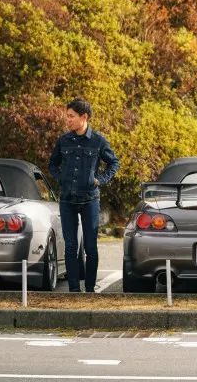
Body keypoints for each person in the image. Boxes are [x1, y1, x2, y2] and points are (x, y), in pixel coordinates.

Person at [48, 98, 119, 293]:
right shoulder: (63, 141)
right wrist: (61, 178)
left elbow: (114, 163)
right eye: (67, 116)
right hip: (67, 200)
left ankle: (89, 290)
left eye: (71, 116)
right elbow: (52, 164)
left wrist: (100, 179)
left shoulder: (98, 141)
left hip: (90, 200)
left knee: (90, 247)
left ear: (84, 117)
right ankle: (73, 291)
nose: (68, 120)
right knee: (71, 246)